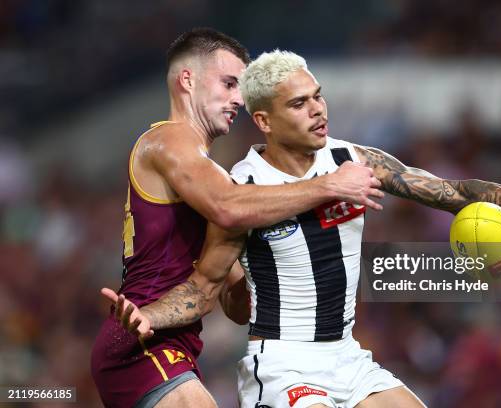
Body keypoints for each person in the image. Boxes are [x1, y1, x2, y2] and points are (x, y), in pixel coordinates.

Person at [110, 50, 501, 407]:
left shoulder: (353, 159)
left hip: (347, 357)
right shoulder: (244, 188)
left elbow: (452, 191)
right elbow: (207, 287)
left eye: (318, 96)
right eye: (299, 104)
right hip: (285, 366)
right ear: (264, 121)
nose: (318, 110)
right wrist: (148, 315)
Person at [91, 30, 384, 408]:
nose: (238, 99)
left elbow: (230, 303)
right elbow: (228, 206)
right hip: (144, 341)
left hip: (167, 340)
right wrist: (331, 185)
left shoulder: (207, 175)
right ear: (187, 80)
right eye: (229, 84)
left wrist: (285, 270)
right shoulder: (169, 140)